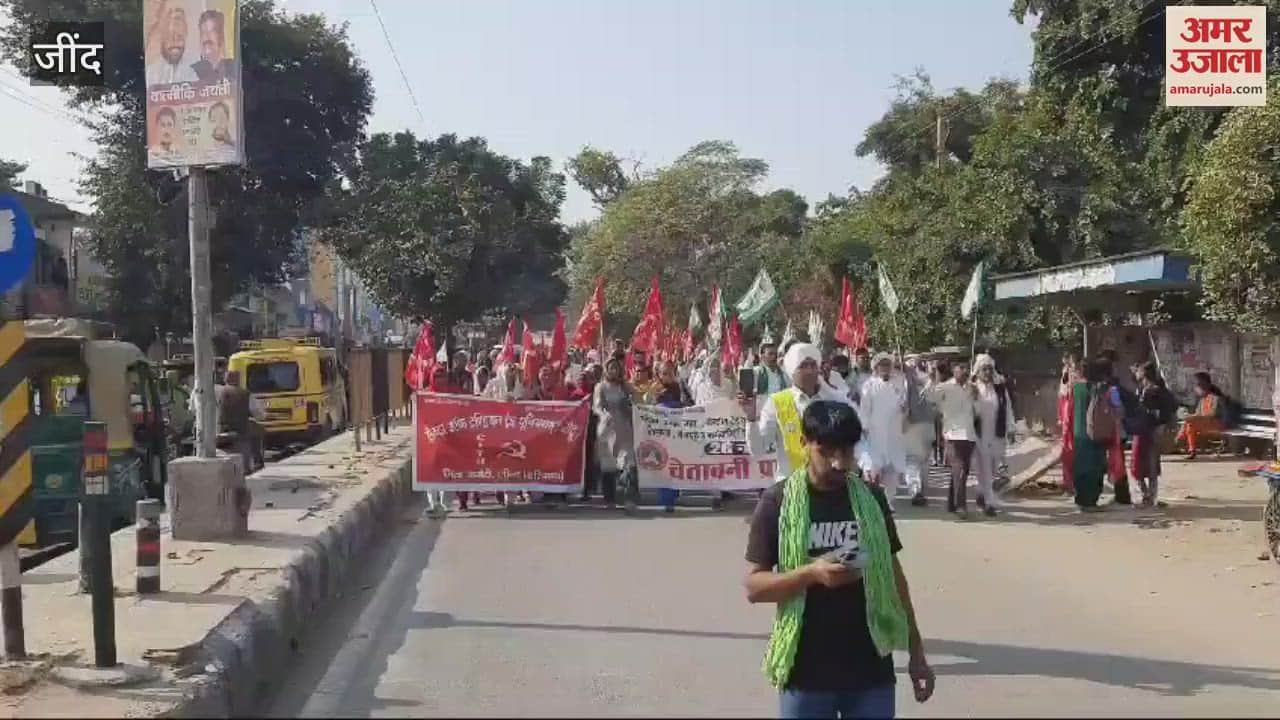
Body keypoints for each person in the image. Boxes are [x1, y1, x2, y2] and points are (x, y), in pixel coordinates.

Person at [744, 401, 934, 719]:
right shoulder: (776, 502)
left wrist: (917, 653)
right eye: (827, 451)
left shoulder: (871, 500)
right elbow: (755, 587)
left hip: (870, 668)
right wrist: (811, 574)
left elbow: (894, 577)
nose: (838, 463)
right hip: (805, 671)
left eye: (847, 452)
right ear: (804, 444)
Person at [743, 343, 857, 484]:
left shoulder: (834, 399)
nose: (809, 371)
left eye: (813, 365)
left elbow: (853, 437)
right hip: (791, 488)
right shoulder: (777, 402)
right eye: (803, 366)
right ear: (792, 371)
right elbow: (758, 449)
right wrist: (751, 418)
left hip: (830, 486)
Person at [925, 361, 978, 518]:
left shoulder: (971, 388)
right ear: (954, 370)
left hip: (969, 434)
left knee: (962, 471)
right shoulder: (946, 386)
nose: (964, 370)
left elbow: (978, 410)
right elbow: (929, 396)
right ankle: (961, 506)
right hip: (953, 434)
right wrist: (931, 377)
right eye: (961, 367)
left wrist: (977, 396)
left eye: (966, 367)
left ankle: (951, 503)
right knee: (960, 469)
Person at [858, 353, 909, 513]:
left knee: (892, 469)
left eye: (888, 365)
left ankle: (888, 500)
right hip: (875, 432)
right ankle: (872, 500)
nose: (885, 368)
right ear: (876, 367)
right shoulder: (869, 385)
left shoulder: (899, 383)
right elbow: (865, 409)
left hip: (894, 432)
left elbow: (904, 403)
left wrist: (903, 408)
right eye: (882, 365)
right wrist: (864, 427)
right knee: (874, 468)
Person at [1072, 359, 1119, 512]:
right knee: (1094, 468)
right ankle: (1091, 502)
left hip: (1078, 433)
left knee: (1080, 467)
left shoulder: (1075, 388)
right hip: (1094, 434)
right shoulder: (1096, 389)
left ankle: (1081, 500)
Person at [970, 354, 1013, 517]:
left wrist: (1011, 428)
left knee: (994, 467)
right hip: (979, 434)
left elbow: (1008, 408)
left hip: (997, 432)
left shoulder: (1000, 388)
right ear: (978, 371)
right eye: (984, 369)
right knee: (984, 467)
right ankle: (989, 501)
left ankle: (981, 492)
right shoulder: (973, 388)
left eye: (989, 369)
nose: (987, 372)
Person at [593, 358, 636, 511]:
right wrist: (604, 413)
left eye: (616, 368)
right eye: (610, 368)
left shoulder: (625, 386)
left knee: (628, 463)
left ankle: (629, 499)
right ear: (606, 369)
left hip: (624, 427)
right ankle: (609, 499)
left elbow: (638, 399)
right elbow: (596, 407)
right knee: (608, 465)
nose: (613, 371)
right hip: (607, 427)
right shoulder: (601, 387)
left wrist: (631, 403)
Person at [1130, 361, 1173, 508]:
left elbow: (1170, 408)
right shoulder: (1142, 389)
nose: (1135, 373)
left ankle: (1150, 497)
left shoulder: (1157, 390)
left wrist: (1162, 423)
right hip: (1141, 430)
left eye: (1138, 370)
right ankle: (1146, 495)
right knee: (1138, 464)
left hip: (1151, 430)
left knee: (1150, 464)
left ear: (1144, 373)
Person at [652, 360, 693, 512]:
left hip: (677, 431)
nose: (666, 376)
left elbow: (690, 404)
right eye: (663, 373)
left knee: (676, 463)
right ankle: (666, 499)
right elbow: (647, 407)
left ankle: (675, 493)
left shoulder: (681, 387)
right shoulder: (655, 389)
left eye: (669, 372)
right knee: (664, 464)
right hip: (661, 432)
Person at [901, 355, 936, 507]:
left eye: (917, 361)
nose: (914, 364)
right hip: (911, 423)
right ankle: (915, 490)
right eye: (910, 361)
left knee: (924, 458)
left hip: (928, 423)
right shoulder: (903, 380)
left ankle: (921, 488)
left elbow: (935, 398)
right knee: (912, 458)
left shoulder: (928, 378)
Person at [1176, 372, 1228, 460]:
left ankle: (1182, 441)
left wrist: (1196, 418)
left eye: (1197, 385)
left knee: (1190, 423)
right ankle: (1185, 443)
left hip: (1217, 424)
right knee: (1189, 422)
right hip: (1205, 424)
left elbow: (1212, 415)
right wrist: (1191, 416)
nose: (1195, 388)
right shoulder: (1202, 399)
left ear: (1204, 385)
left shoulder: (1215, 397)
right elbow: (1198, 414)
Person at [145, 5, 198, 86]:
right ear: (161, 36)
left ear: (185, 34)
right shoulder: (151, 74)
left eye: (179, 37)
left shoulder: (197, 71)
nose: (175, 43)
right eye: (170, 37)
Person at [191, 9, 238, 82]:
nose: (206, 37)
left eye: (211, 31)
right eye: (203, 32)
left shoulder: (234, 69)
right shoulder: (191, 72)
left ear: (221, 36)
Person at [1058, 353, 1081, 493]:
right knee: (1068, 450)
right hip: (1068, 417)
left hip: (1075, 417)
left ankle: (1074, 481)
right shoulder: (1065, 383)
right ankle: (1068, 481)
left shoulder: (1079, 381)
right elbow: (1061, 398)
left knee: (1075, 449)